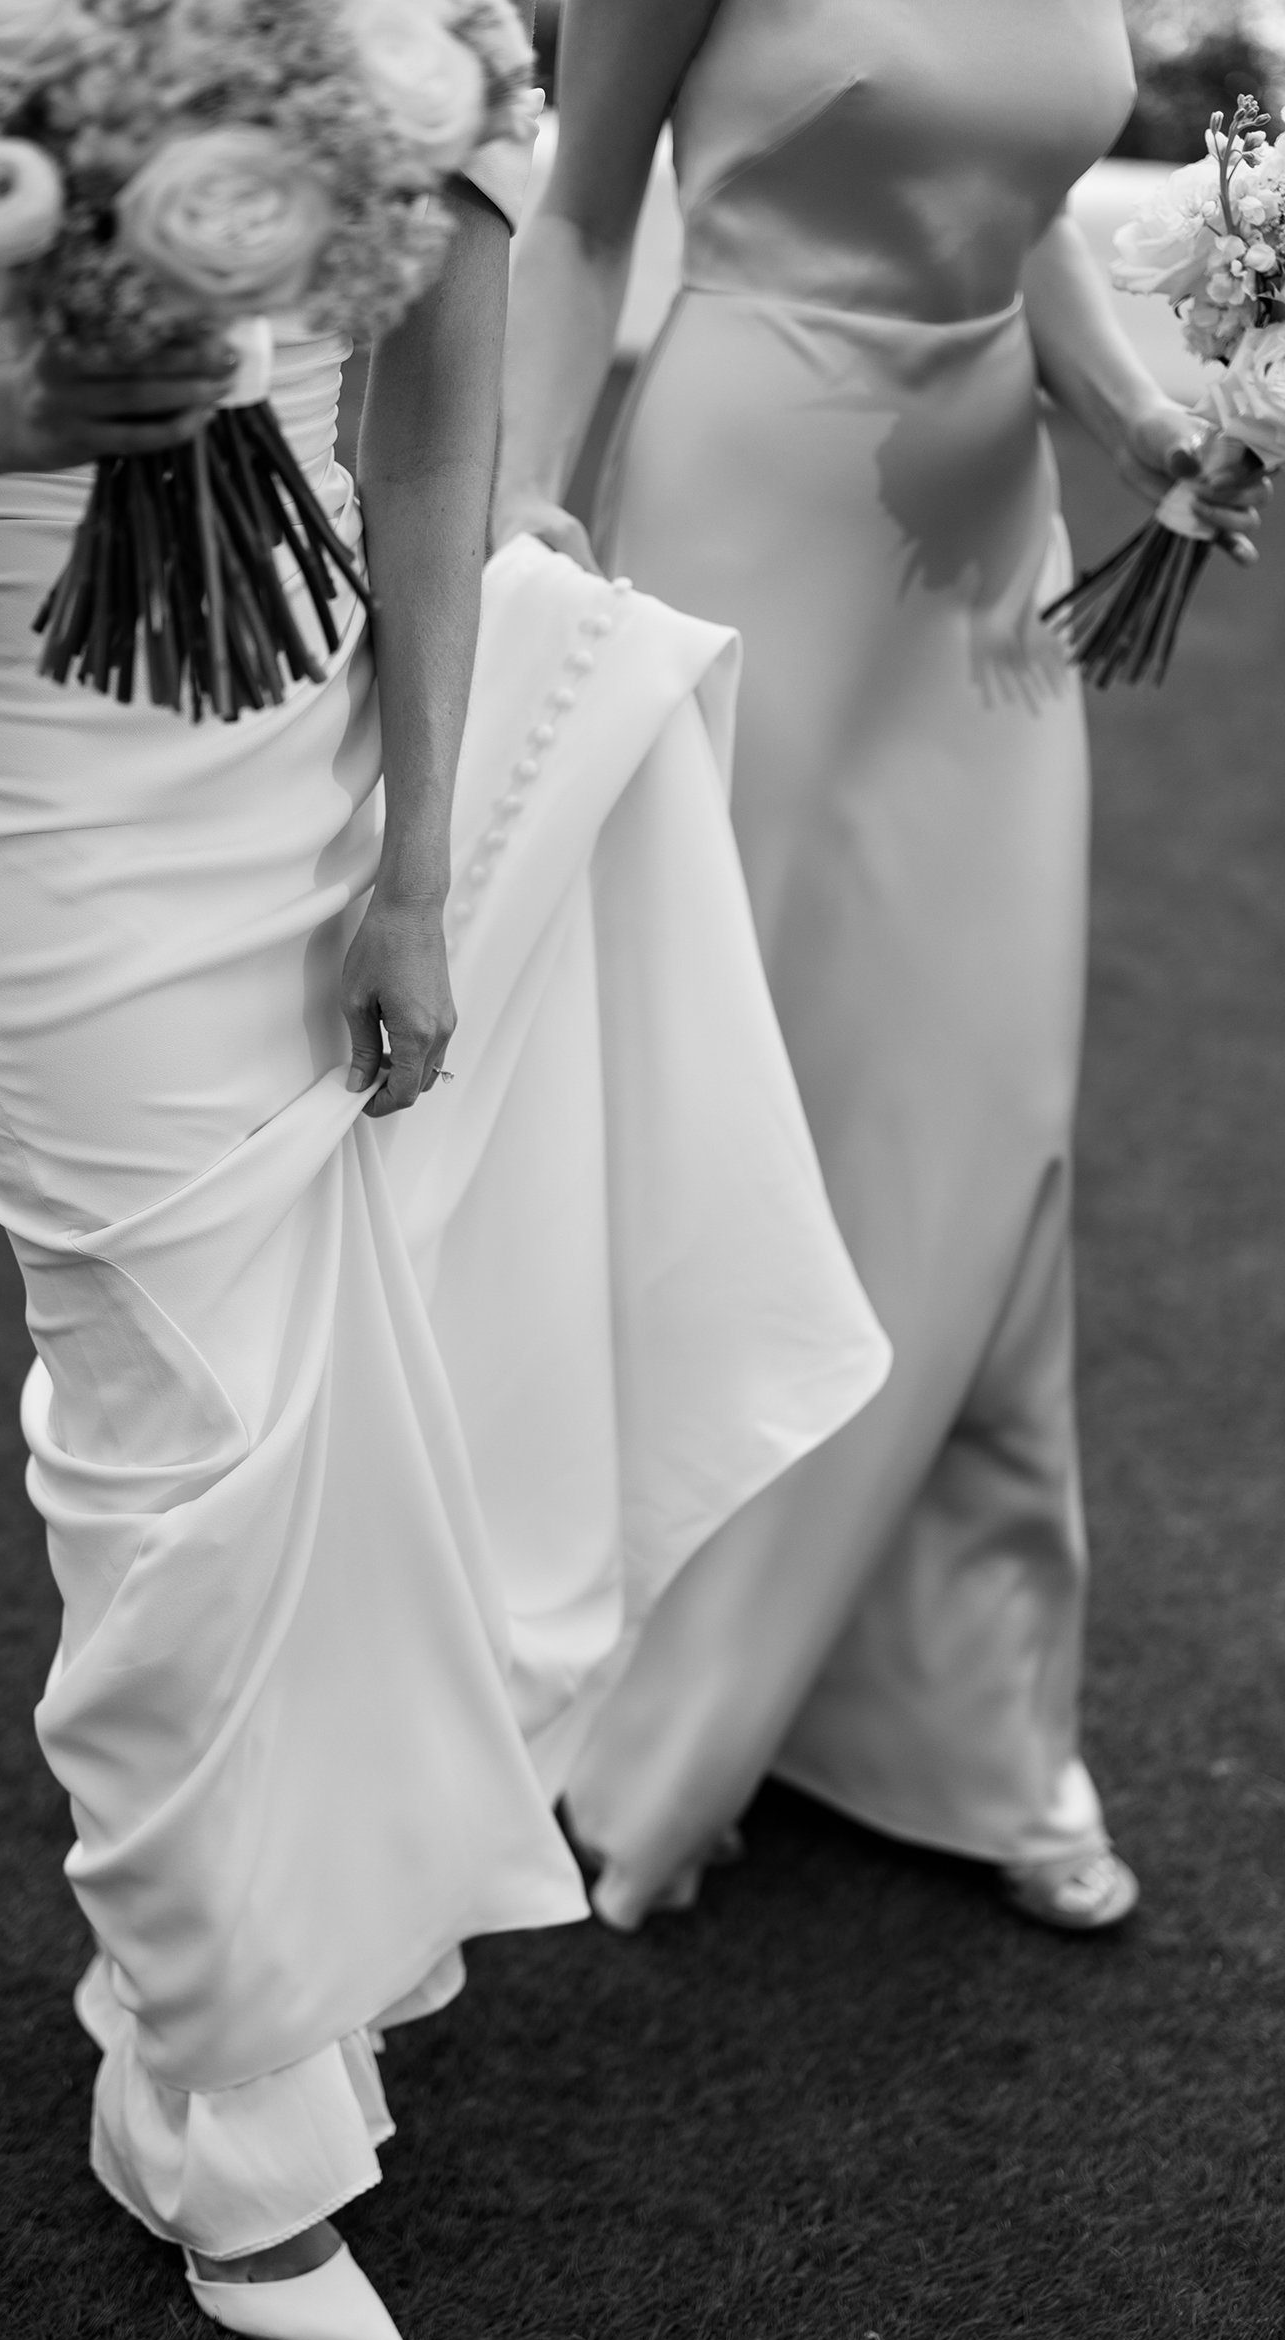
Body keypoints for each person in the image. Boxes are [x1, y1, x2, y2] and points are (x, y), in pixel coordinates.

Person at [0, 10, 888, 2340]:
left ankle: (250, 1960)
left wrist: (419, 865)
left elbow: (437, 416)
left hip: (322, 748)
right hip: (32, 781)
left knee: (337, 1399)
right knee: (181, 1441)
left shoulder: (428, 13)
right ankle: (225, 2108)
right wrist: (33, 411)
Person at [494, 0, 1270, 1936]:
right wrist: (514, 500)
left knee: (980, 1119)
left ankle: (966, 1721)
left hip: (978, 547)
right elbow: (578, 211)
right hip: (750, 504)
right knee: (737, 1092)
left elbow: (1008, 215)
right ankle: (659, 1702)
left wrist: (1151, 418)